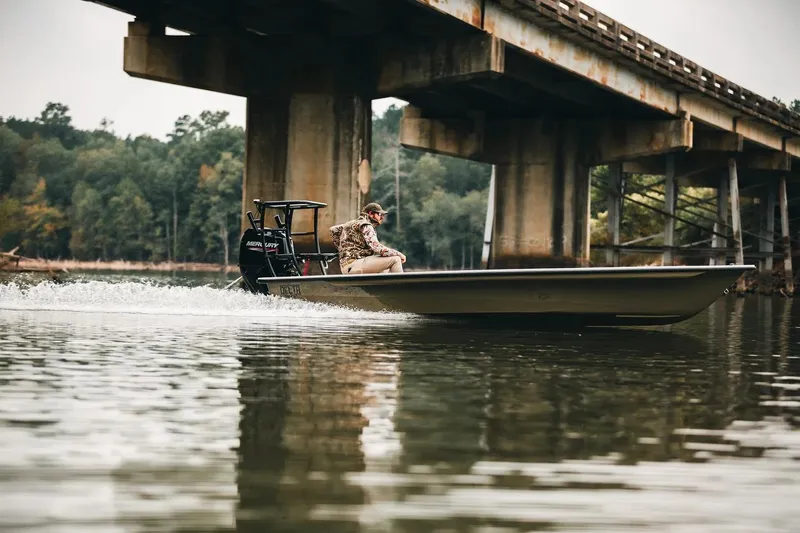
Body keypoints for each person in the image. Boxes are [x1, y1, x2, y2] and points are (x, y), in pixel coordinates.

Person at [330, 202, 407, 274]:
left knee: (384, 267)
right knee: (396, 259)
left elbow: (333, 230)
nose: (382, 217)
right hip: (356, 264)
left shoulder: (352, 223)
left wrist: (341, 249)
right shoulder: (366, 225)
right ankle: (400, 287)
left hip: (346, 266)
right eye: (380, 214)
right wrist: (399, 254)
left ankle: (379, 288)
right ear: (370, 213)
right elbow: (376, 247)